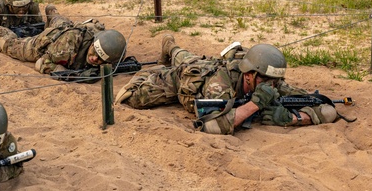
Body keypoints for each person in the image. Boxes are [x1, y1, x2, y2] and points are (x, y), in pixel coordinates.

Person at [117, 36, 338, 135]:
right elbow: (211, 126)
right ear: (249, 75)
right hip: (185, 80)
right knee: (132, 98)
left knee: (186, 56)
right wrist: (254, 105)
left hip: (208, 64)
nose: (272, 87)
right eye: (265, 81)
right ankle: (169, 46)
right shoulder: (219, 85)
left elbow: (328, 109)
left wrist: (293, 118)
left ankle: (172, 47)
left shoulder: (271, 83)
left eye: (276, 82)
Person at [0, 6, 127, 76]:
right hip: (45, 44)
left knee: (62, 23)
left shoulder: (106, 44)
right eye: (94, 53)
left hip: (67, 29)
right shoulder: (65, 50)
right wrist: (65, 73)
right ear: (93, 43)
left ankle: (53, 14)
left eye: (100, 60)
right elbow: (42, 63)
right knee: (12, 47)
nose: (94, 58)